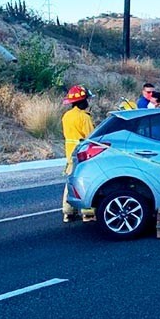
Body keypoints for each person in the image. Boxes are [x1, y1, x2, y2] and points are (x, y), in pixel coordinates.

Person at [61, 85, 96, 223]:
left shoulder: (66, 116)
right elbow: (91, 137)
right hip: (83, 153)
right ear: (83, 101)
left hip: (70, 152)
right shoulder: (84, 117)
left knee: (71, 180)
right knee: (85, 181)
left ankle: (68, 212)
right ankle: (87, 213)